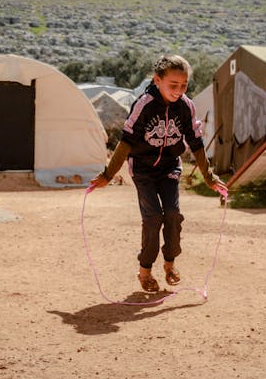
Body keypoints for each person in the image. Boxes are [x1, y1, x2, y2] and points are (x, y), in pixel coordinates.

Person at [89, 54, 227, 293]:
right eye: (173, 85)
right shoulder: (144, 105)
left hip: (170, 167)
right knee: (153, 217)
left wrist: (209, 177)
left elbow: (195, 142)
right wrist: (108, 175)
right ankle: (145, 271)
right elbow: (126, 142)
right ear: (157, 80)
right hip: (142, 169)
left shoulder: (186, 106)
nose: (179, 90)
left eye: (184, 85)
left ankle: (170, 264)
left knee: (172, 214)